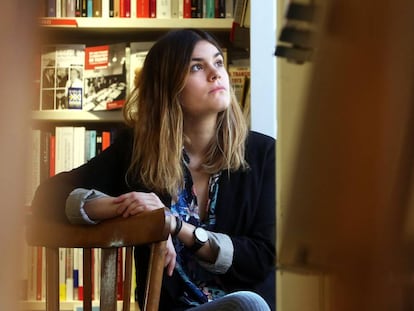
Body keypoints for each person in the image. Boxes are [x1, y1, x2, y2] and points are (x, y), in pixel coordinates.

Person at [32, 29, 276, 310]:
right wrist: (122, 208)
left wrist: (172, 225)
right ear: (167, 85)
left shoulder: (263, 154)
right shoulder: (139, 153)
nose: (215, 73)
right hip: (171, 307)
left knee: (247, 305)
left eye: (218, 62)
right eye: (197, 66)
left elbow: (261, 258)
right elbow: (46, 197)